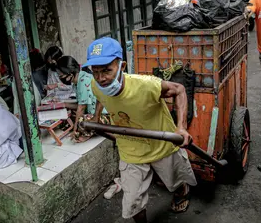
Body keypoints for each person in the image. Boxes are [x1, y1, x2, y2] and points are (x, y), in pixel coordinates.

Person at [83, 37, 197, 222]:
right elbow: (100, 96)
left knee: (175, 181)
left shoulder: (145, 85)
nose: (101, 78)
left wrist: (181, 127)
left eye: (106, 70)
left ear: (122, 66)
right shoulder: (97, 86)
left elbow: (179, 89)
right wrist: (96, 119)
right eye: (95, 72)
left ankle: (181, 191)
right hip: (131, 149)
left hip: (162, 143)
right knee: (132, 202)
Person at [56, 55, 109, 142]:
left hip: (104, 116)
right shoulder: (77, 81)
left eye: (61, 75)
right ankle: (84, 131)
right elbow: (80, 104)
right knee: (71, 115)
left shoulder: (84, 81)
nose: (60, 77)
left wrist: (75, 131)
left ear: (69, 73)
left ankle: (86, 134)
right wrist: (64, 105)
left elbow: (81, 108)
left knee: (82, 121)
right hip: (91, 113)